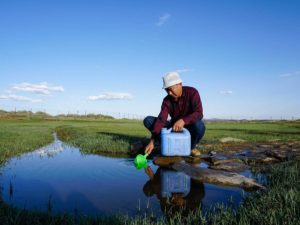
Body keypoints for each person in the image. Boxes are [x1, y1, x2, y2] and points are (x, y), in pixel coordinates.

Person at [143, 71, 205, 156]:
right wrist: (152, 140)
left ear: (179, 84)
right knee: (148, 120)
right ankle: (163, 143)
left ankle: (190, 147)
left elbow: (199, 113)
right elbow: (161, 119)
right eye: (167, 90)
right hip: (173, 128)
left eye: (171, 89)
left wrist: (183, 121)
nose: (169, 93)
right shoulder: (167, 100)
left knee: (199, 125)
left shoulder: (192, 92)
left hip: (189, 129)